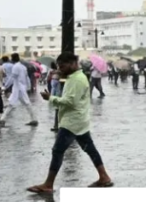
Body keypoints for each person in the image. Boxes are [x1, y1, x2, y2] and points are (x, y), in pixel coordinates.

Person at [27, 52, 113, 192]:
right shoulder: (74, 77)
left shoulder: (77, 80)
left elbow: (70, 102)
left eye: (63, 66)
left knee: (57, 151)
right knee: (90, 149)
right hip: (79, 121)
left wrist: (51, 98)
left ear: (73, 64)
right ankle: (104, 177)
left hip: (72, 122)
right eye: (59, 66)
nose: (60, 68)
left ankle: (48, 184)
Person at [1, 53, 39, 127]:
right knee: (24, 104)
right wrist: (28, 87)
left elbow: (12, 78)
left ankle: (2, 120)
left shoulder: (16, 67)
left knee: (12, 104)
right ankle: (34, 119)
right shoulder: (23, 67)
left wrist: (5, 86)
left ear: (12, 59)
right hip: (21, 88)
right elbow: (26, 77)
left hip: (17, 88)